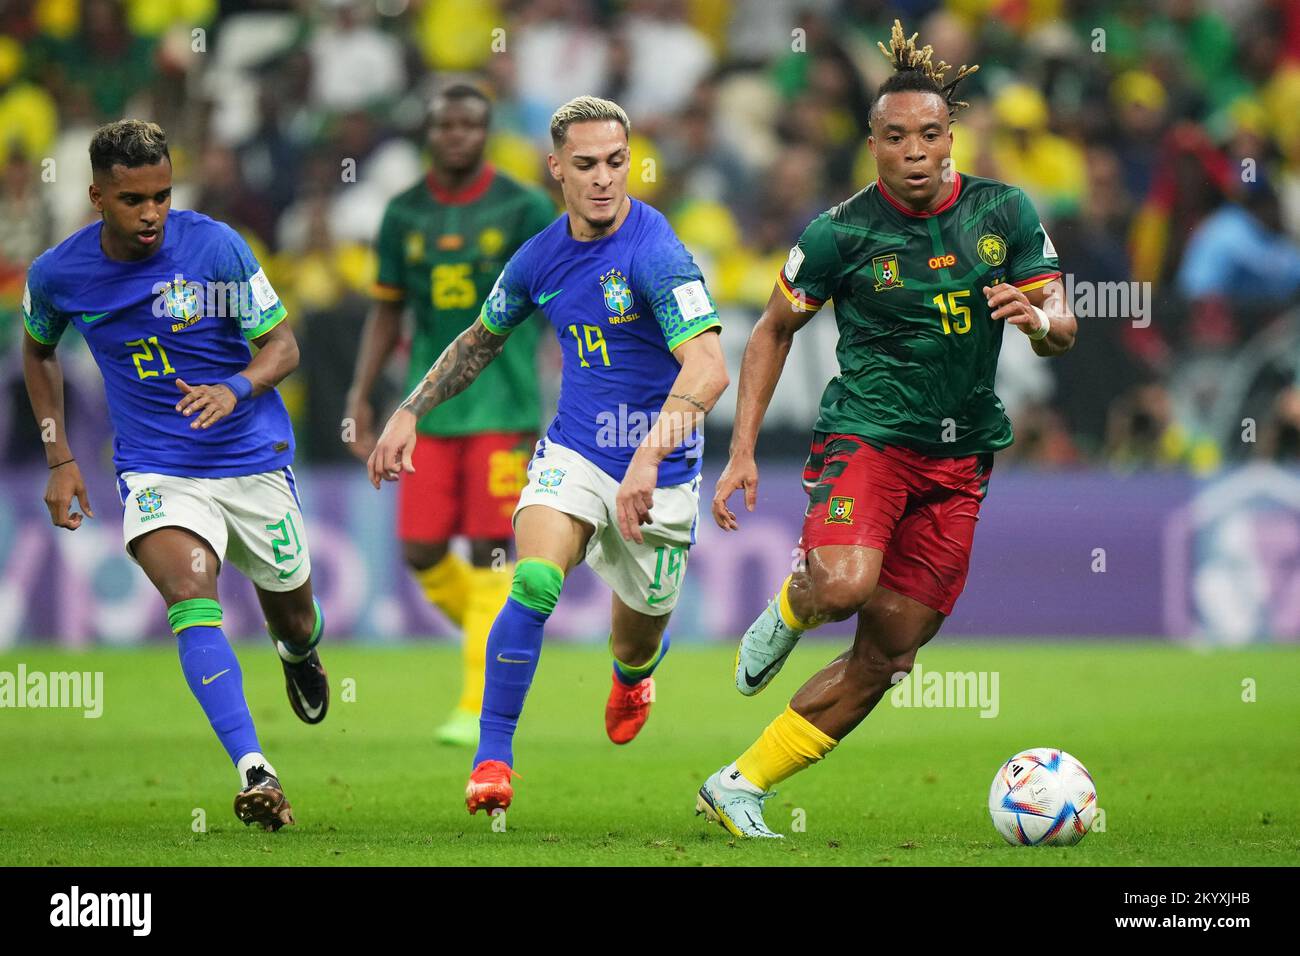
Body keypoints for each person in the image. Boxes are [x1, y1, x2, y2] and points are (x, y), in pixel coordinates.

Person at [699, 22, 1077, 838]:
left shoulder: (1002, 210)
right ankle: (794, 608)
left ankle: (740, 783)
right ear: (870, 142)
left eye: (932, 135)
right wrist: (739, 452)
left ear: (951, 138)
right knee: (843, 585)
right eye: (897, 136)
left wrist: (1039, 323)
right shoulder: (839, 232)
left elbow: (1063, 320)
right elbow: (771, 331)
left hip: (964, 454)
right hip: (868, 437)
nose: (917, 151)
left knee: (891, 653)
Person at [368, 95, 729, 818]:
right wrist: (410, 408)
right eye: (587, 164)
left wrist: (649, 459)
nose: (604, 179)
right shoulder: (539, 257)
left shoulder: (655, 249)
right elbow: (479, 340)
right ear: (556, 168)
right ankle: (492, 757)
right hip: (574, 450)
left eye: (617, 162)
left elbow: (710, 369)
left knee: (637, 632)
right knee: (531, 582)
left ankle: (632, 676)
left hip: (659, 468)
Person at [21, 119, 328, 832]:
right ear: (98, 195)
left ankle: (296, 652)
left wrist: (237, 388)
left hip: (249, 459)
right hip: (159, 469)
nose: (152, 213)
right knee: (190, 591)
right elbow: (37, 354)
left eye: (162, 195)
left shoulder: (214, 247)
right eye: (134, 200)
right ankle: (256, 770)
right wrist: (60, 456)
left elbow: (281, 346)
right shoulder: (60, 274)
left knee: (296, 613)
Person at [345, 84, 555, 746]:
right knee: (421, 551)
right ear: (429, 131)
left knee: (494, 551)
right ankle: (496, 638)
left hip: (505, 403)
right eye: (446, 123)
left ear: (487, 131)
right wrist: (362, 391)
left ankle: (475, 703)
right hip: (427, 408)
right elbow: (387, 308)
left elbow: (554, 302)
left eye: (471, 124)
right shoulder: (403, 214)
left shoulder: (524, 206)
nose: (458, 134)